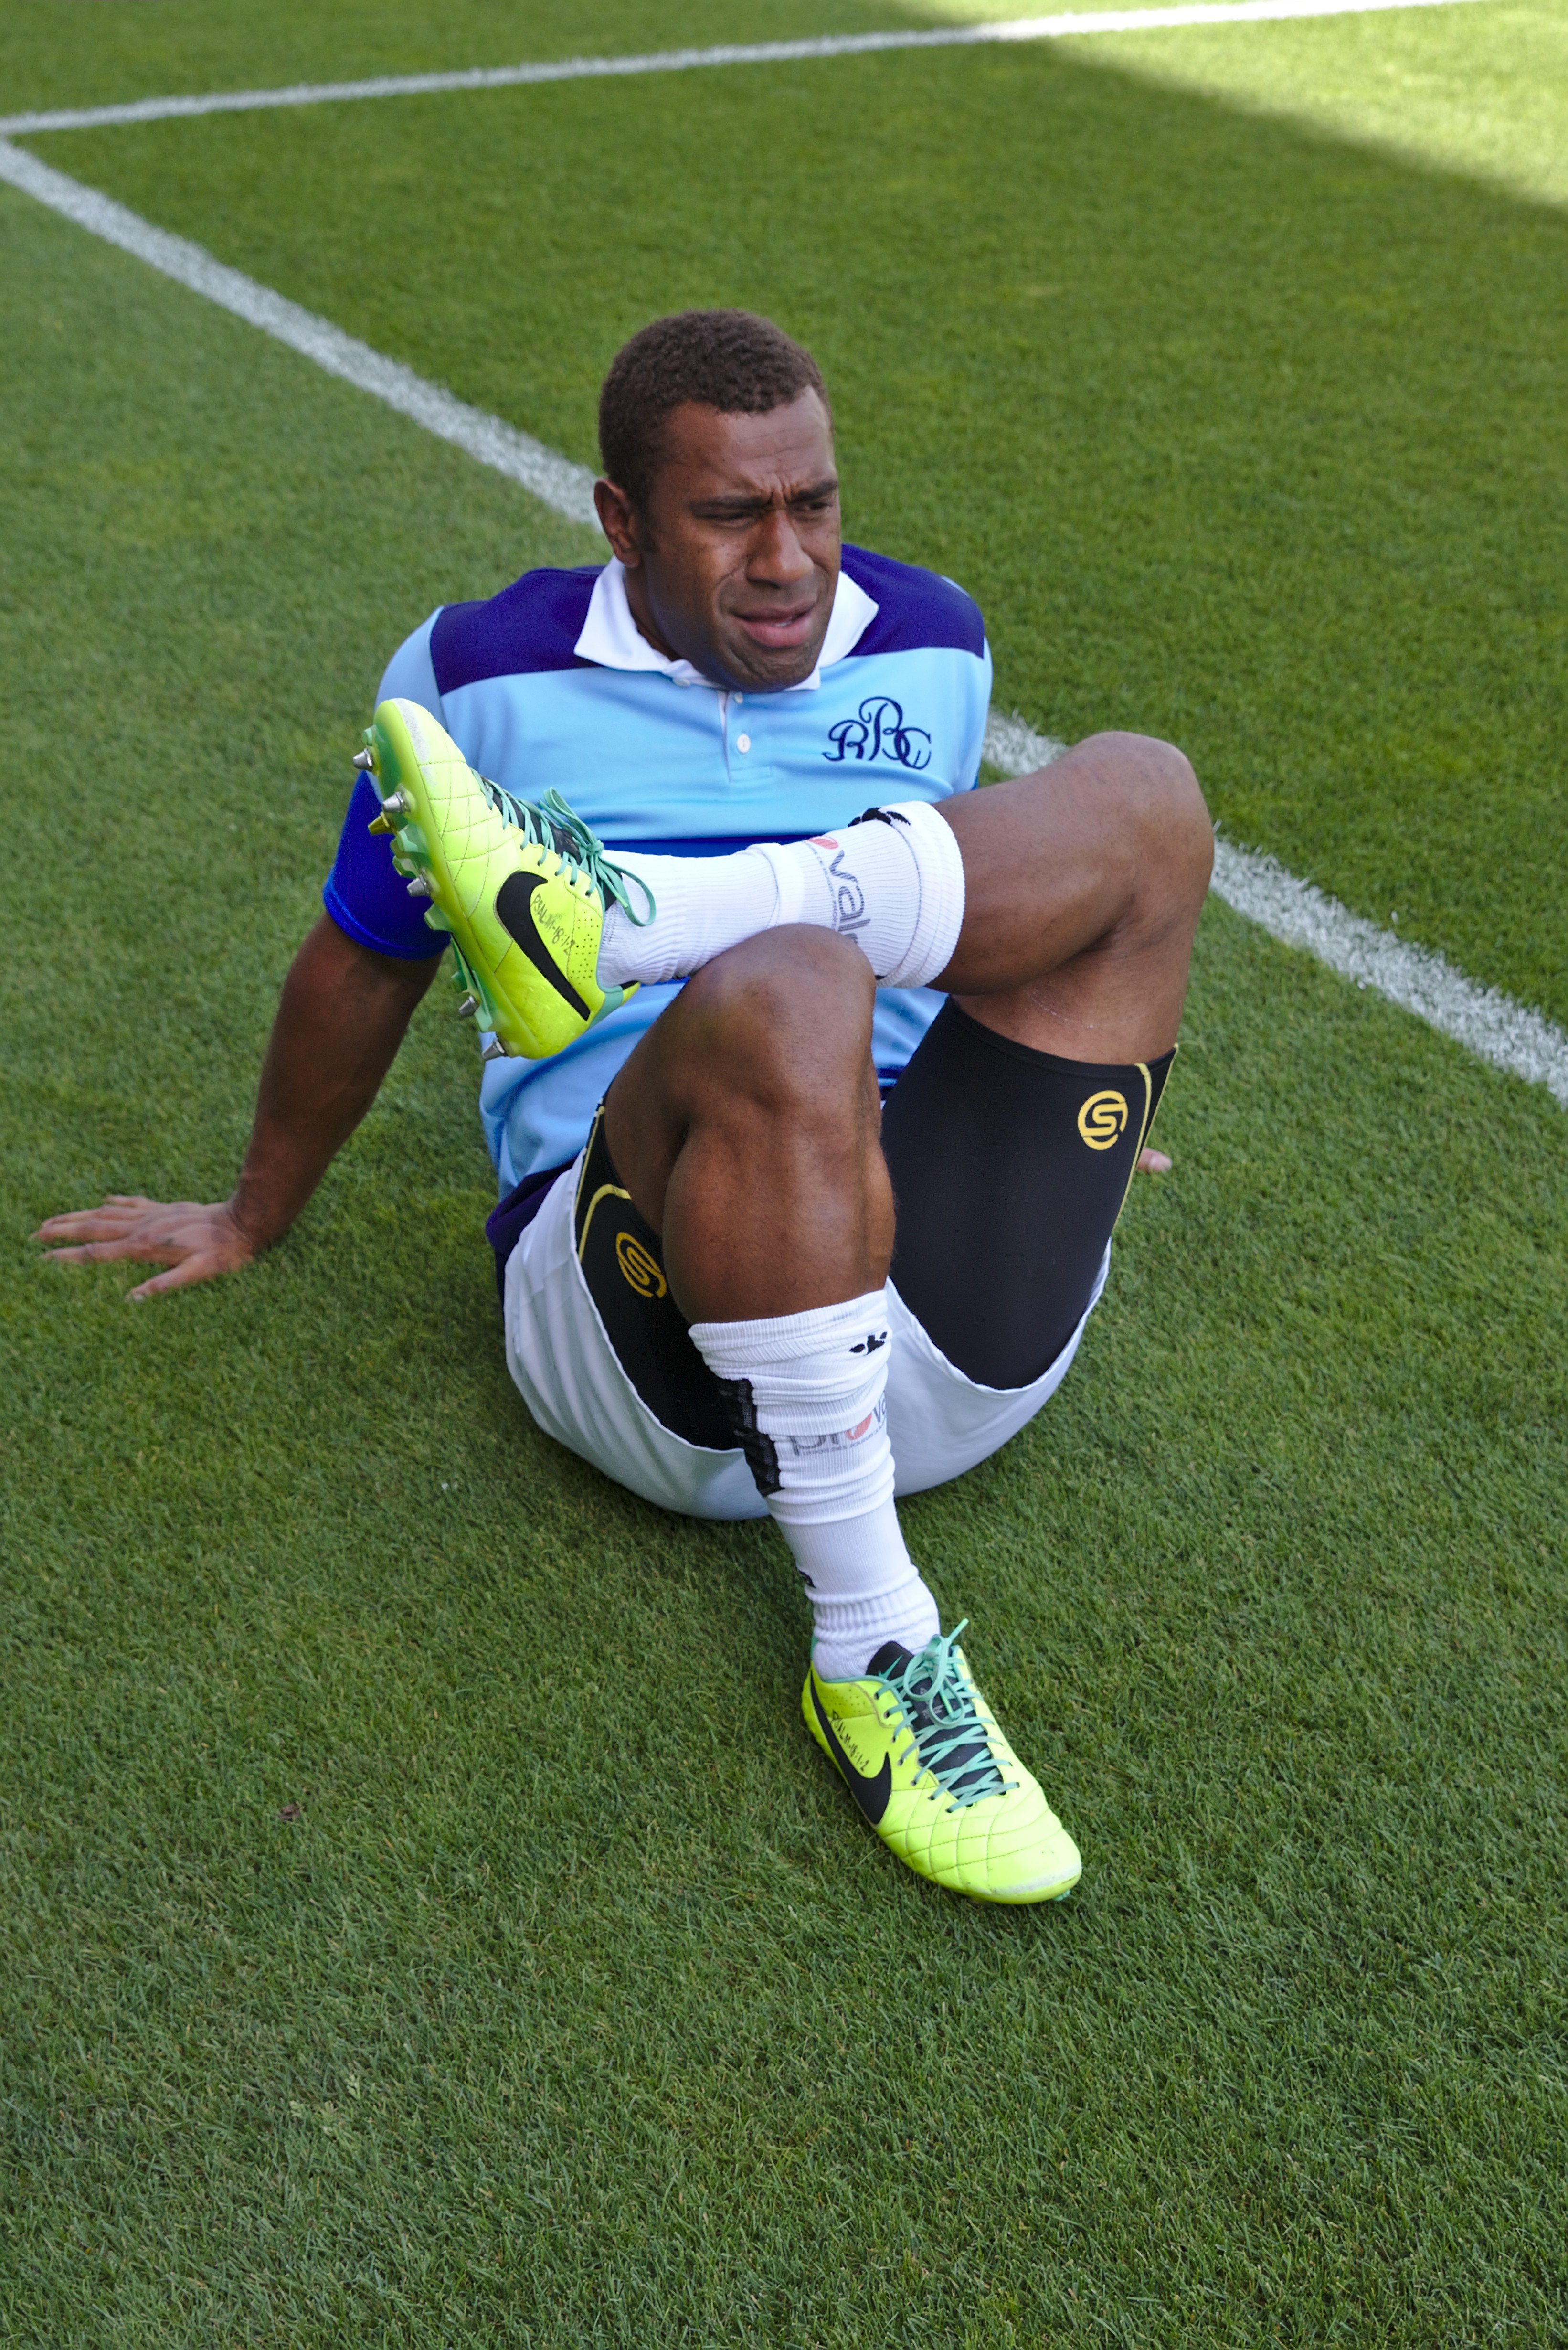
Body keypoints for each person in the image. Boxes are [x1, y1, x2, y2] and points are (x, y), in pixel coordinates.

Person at [35, 310, 1212, 1905]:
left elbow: (990, 914)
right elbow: (366, 956)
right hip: (655, 1360)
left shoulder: (932, 639)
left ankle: (625, 919)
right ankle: (875, 1647)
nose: (788, 561)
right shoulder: (476, 674)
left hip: (942, 1346)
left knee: (1145, 793)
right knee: (788, 980)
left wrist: (1056, 1097)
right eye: (730, 515)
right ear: (620, 519)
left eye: (814, 503)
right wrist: (252, 1212)